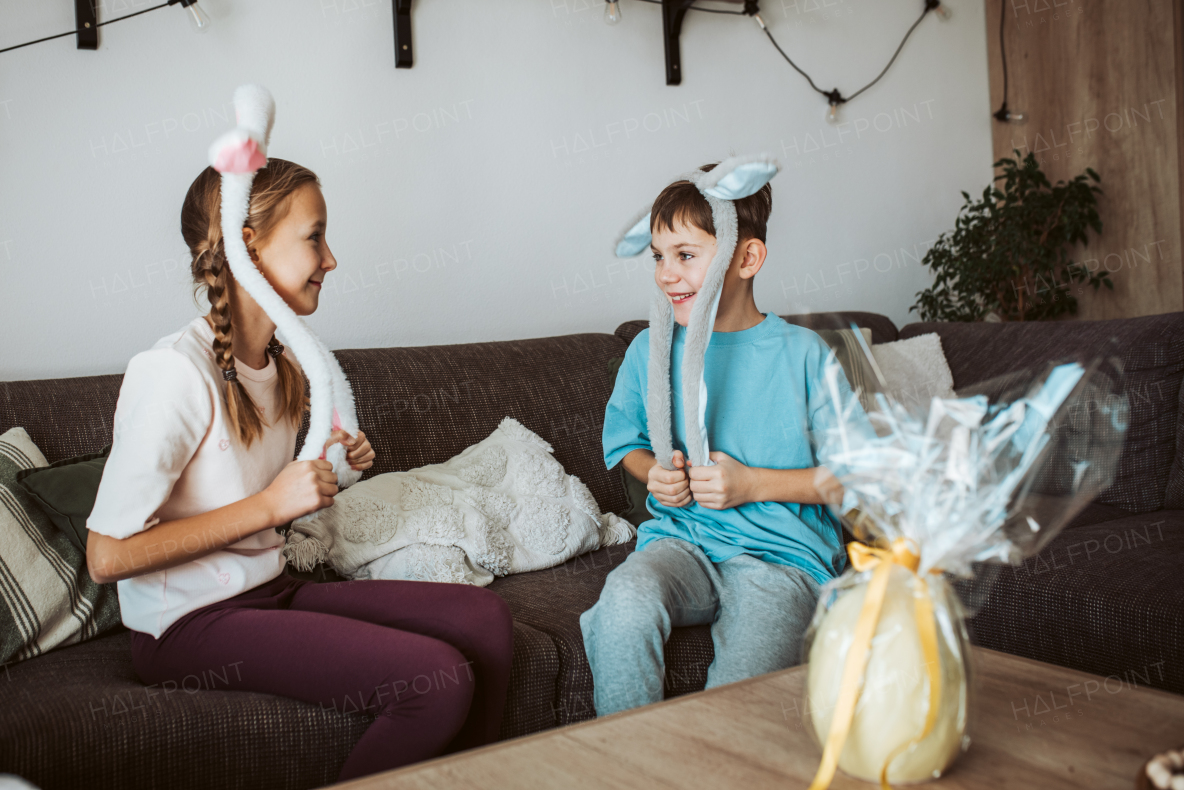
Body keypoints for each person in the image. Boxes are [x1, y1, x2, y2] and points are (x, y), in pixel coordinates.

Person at [85, 158, 513, 780]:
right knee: (437, 679)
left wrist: (334, 464)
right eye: (314, 236)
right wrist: (270, 507)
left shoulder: (283, 363)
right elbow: (106, 557)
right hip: (186, 627)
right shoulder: (174, 373)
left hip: (268, 591)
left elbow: (267, 486)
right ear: (247, 246)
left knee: (485, 618)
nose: (331, 259)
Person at [581, 162, 862, 716]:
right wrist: (652, 471)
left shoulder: (803, 355)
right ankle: (625, 758)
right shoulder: (649, 352)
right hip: (682, 540)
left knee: (741, 694)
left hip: (783, 559)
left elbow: (853, 474)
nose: (666, 274)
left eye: (686, 255)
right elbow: (626, 442)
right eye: (658, 257)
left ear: (746, 257)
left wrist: (750, 483)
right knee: (622, 605)